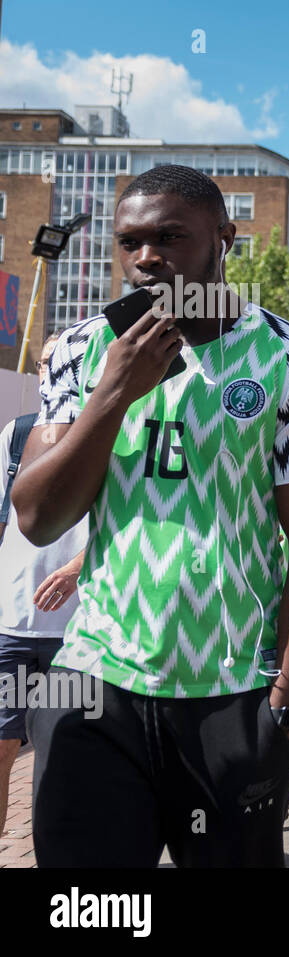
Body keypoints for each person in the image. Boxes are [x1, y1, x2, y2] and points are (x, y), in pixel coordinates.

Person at [13, 165, 289, 867]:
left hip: (231, 692)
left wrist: (284, 702)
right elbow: (39, 517)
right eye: (129, 242)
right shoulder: (81, 351)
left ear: (225, 239)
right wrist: (112, 394)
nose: (146, 258)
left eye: (170, 237)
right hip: (96, 683)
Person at [0, 335, 88, 839]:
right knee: (3, 745)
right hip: (12, 622)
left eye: (66, 364)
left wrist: (79, 566)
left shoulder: (112, 434)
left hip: (79, 631)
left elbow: (130, 520)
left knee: (65, 753)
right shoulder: (16, 434)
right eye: (46, 364)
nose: (55, 374)